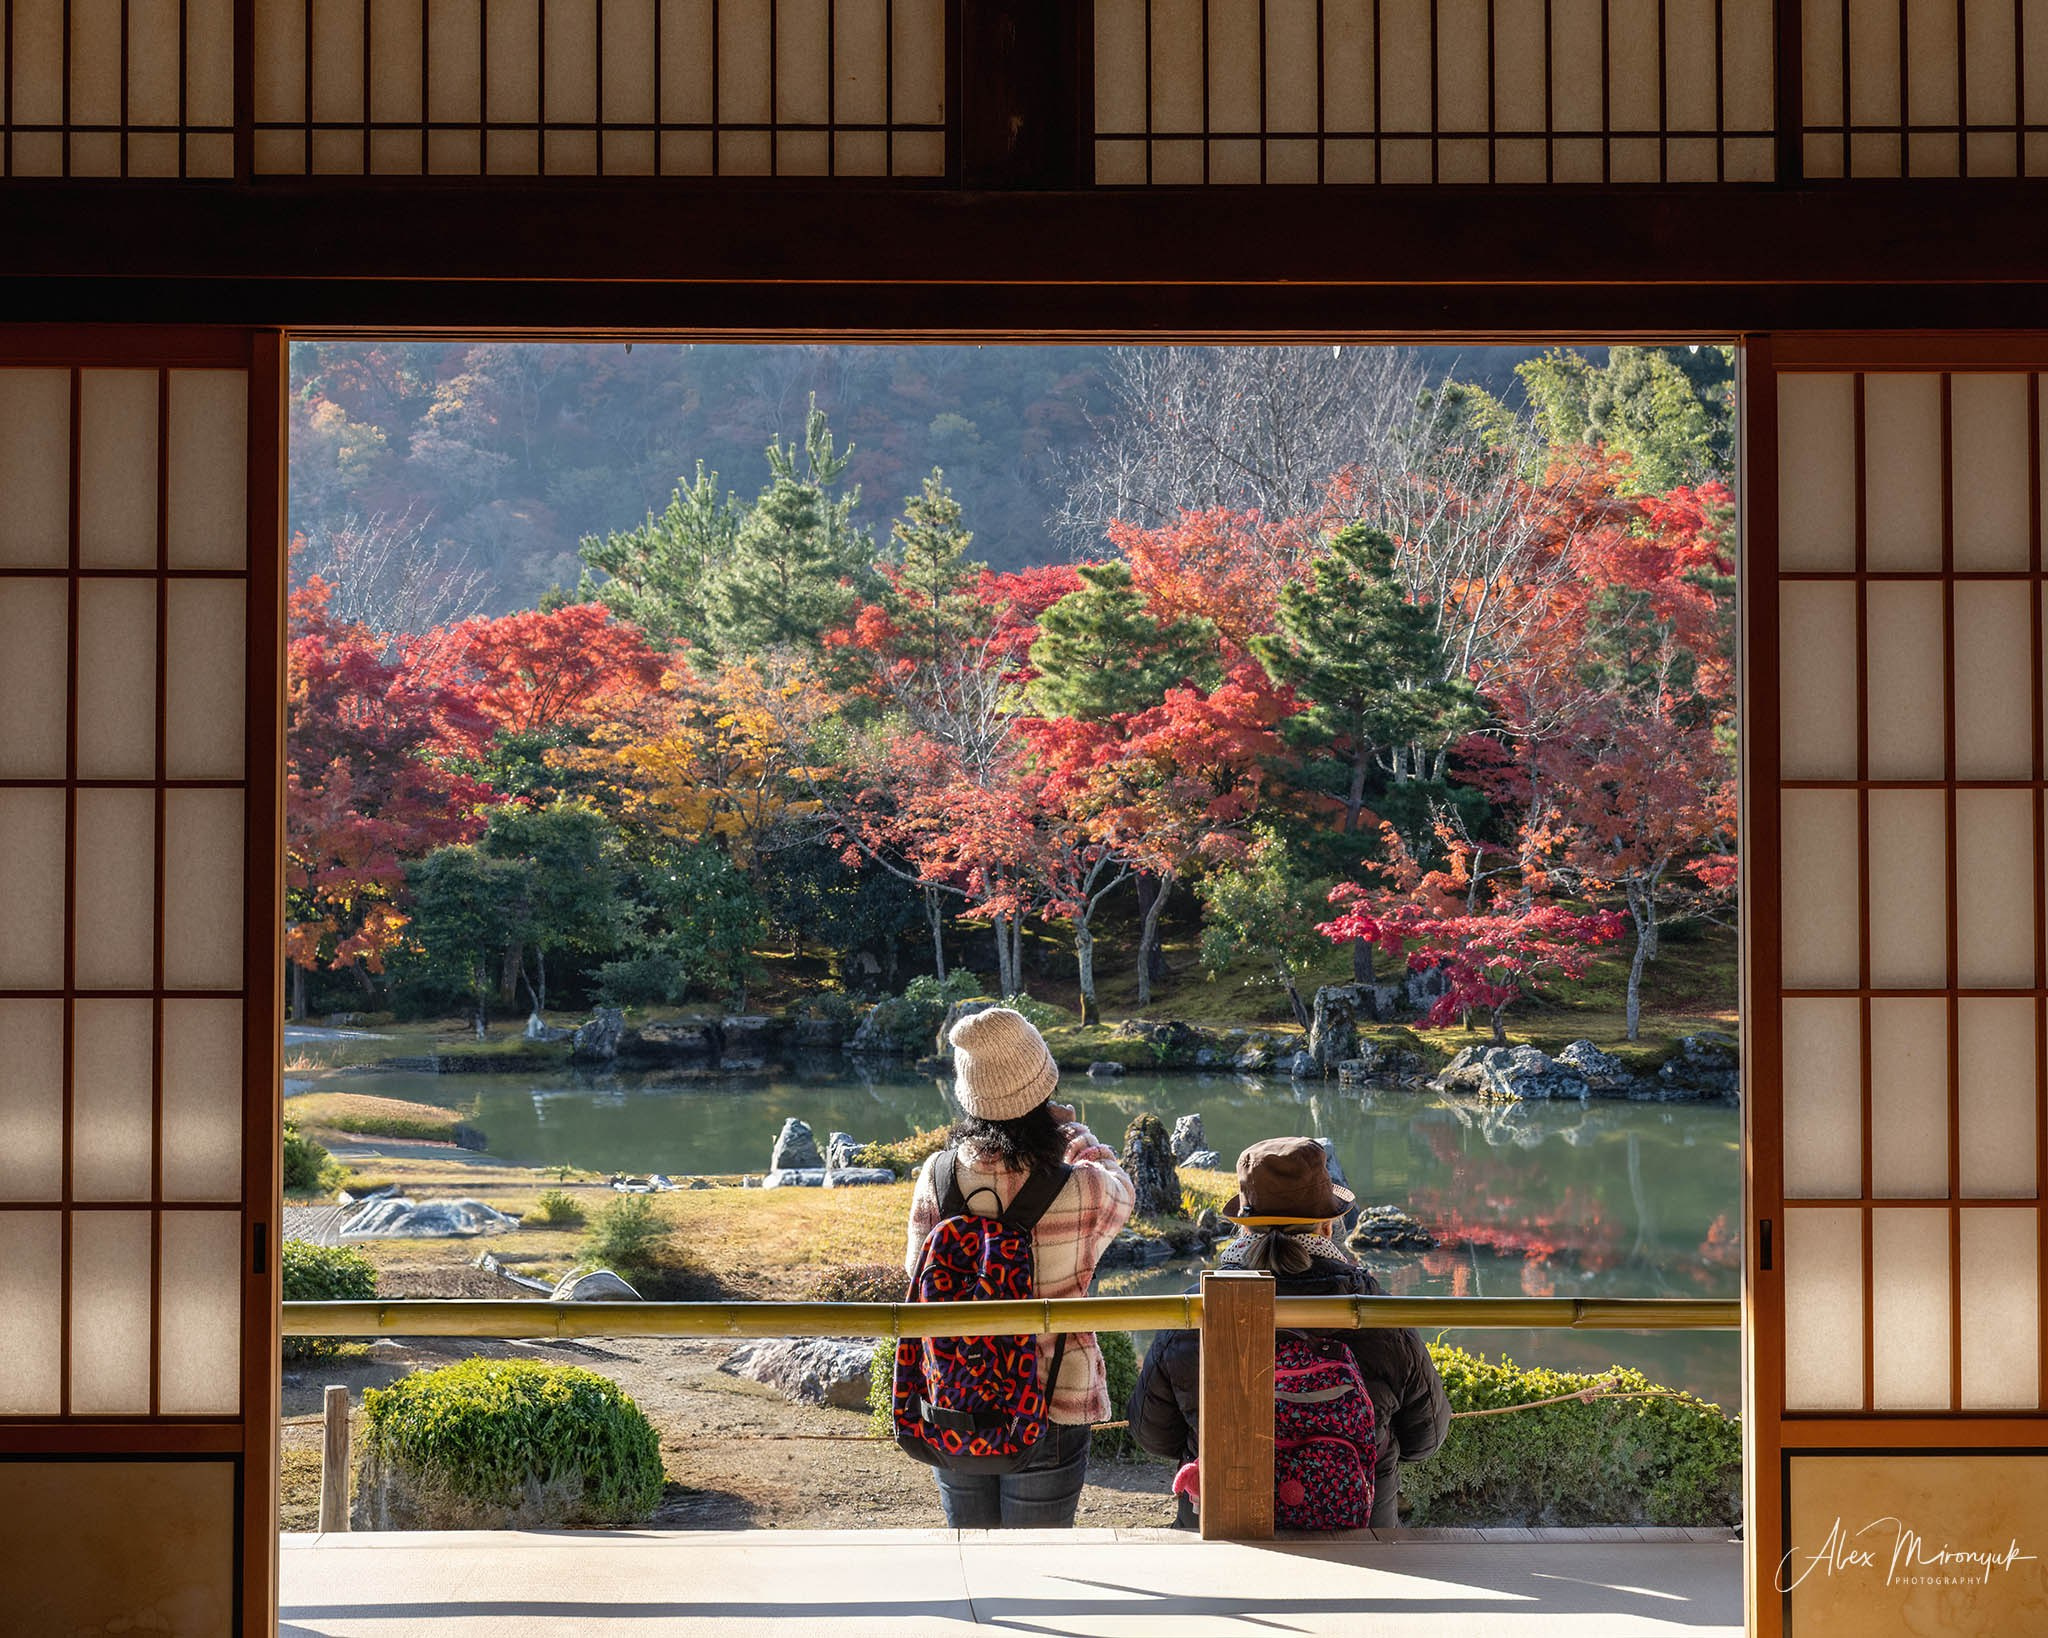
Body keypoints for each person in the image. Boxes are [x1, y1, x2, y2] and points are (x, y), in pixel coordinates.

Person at [1127, 1135, 1451, 1529]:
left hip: (1221, 1533)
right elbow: (1425, 1438)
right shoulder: (1373, 1311)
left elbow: (1152, 1434)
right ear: (1327, 1226)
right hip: (1359, 1532)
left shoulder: (1196, 1309)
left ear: (1244, 1229)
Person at [902, 1005, 1136, 1528]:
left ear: (969, 1096)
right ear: (1043, 1087)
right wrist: (1075, 1136)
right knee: (1040, 1560)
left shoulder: (936, 1176)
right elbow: (1124, 1190)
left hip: (955, 1397)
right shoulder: (1083, 1185)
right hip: (1053, 1399)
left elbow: (915, 1275)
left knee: (972, 1558)